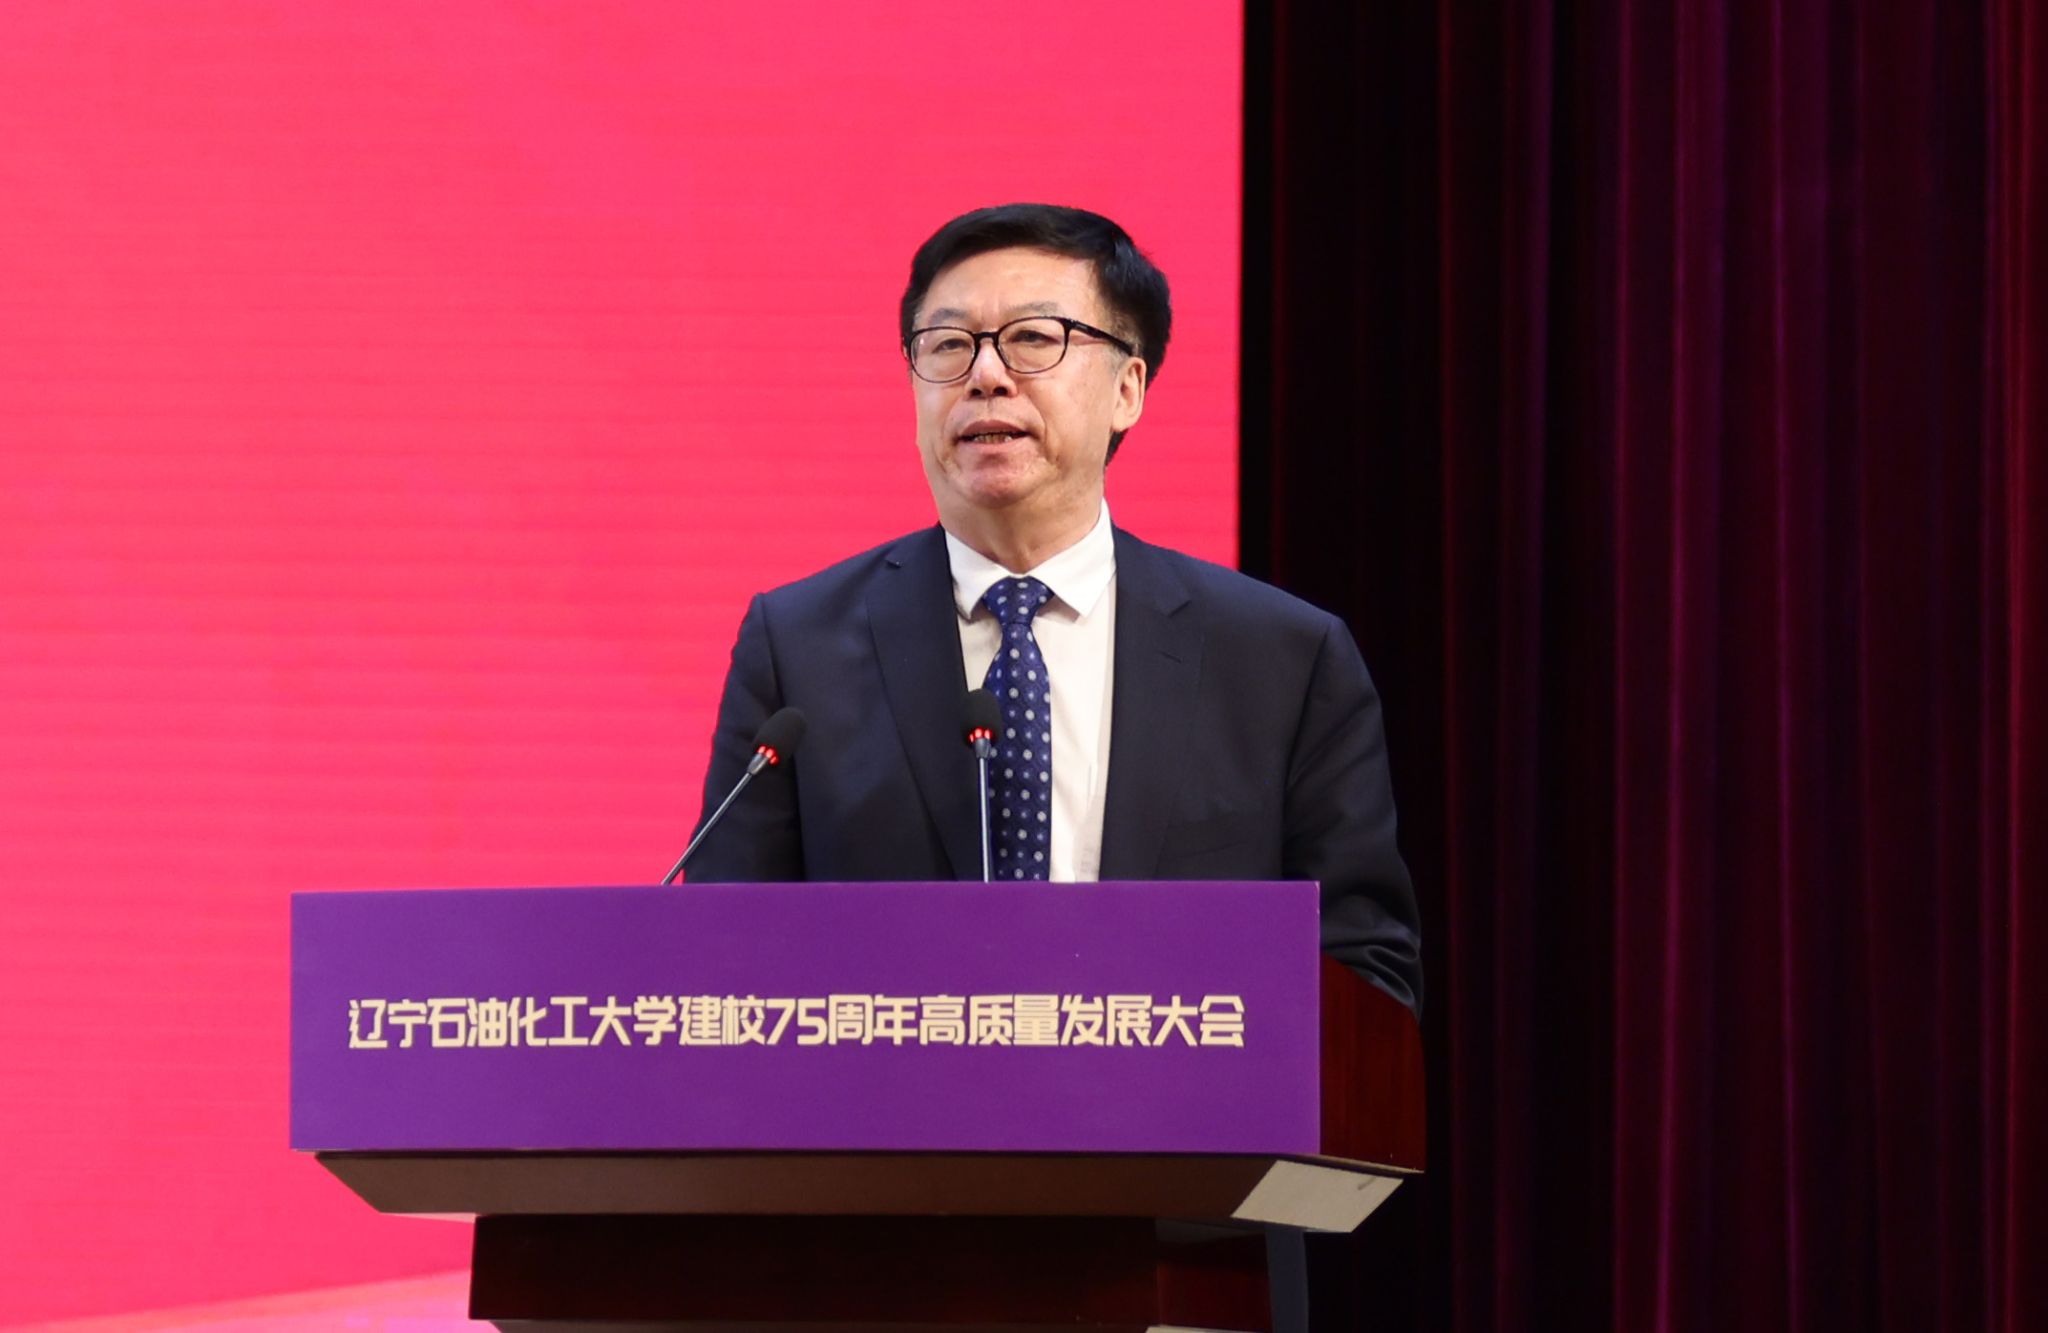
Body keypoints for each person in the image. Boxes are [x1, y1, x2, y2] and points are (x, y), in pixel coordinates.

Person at [687, 203, 1420, 1015]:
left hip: (1168, 1096)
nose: (985, 375)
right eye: (949, 345)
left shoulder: (1283, 661)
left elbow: (1363, 971)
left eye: (1034, 338)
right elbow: (718, 953)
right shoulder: (798, 648)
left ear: (1127, 390)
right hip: (883, 1097)